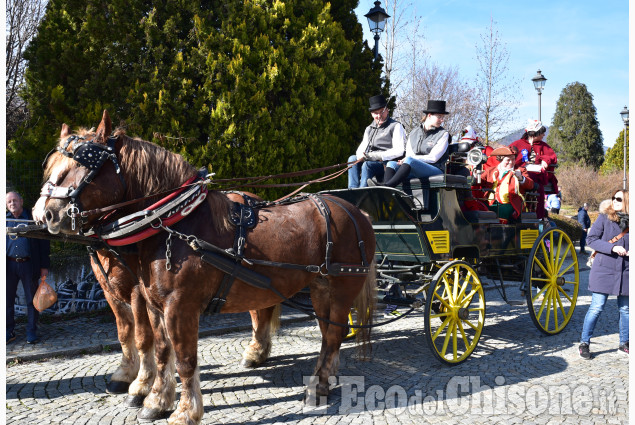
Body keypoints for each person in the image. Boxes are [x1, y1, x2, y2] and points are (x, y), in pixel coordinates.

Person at [578, 190, 629, 359]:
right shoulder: (604, 218)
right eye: (613, 198)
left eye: (619, 199)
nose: (614, 201)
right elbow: (591, 239)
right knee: (596, 307)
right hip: (604, 269)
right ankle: (584, 343)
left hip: (626, 271)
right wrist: (612, 248)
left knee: (626, 309)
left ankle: (624, 343)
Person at [371, 100, 451, 187]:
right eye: (439, 117)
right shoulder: (414, 132)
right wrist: (407, 160)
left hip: (435, 169)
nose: (442, 120)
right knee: (391, 164)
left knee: (409, 160)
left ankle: (387, 187)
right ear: (429, 116)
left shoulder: (443, 134)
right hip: (414, 167)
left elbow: (433, 158)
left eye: (443, 117)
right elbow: (409, 153)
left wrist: (412, 159)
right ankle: (388, 191)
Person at [6, 191, 51, 344]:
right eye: (9, 202)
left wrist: (44, 266)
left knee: (32, 300)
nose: (12, 203)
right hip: (9, 266)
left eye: (14, 200)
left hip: (29, 265)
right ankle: (8, 331)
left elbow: (44, 244)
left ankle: (31, 331)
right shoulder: (4, 220)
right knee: (7, 301)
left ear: (21, 201)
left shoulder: (32, 218)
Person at [347, 95, 406, 188]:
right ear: (371, 114)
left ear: (387, 110)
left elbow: (399, 150)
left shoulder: (396, 126)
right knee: (352, 159)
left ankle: (362, 192)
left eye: (381, 112)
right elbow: (362, 147)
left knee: (367, 165)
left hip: (386, 164)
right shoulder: (369, 128)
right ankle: (352, 189)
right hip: (371, 160)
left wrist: (377, 156)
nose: (379, 116)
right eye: (375, 113)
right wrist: (361, 156)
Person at [509, 119, 558, 219]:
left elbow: (552, 157)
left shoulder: (544, 146)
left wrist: (544, 159)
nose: (544, 135)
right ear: (535, 133)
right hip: (520, 171)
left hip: (537, 173)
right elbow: (508, 155)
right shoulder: (518, 144)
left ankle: (538, 216)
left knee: (537, 184)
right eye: (542, 133)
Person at [480, 146, 534, 221]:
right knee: (480, 209)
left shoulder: (520, 170)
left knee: (503, 211)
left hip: (511, 204)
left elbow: (530, 185)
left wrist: (521, 178)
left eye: (513, 159)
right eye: (508, 160)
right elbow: (480, 181)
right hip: (490, 202)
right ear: (500, 159)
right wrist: (476, 176)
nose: (511, 162)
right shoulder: (490, 170)